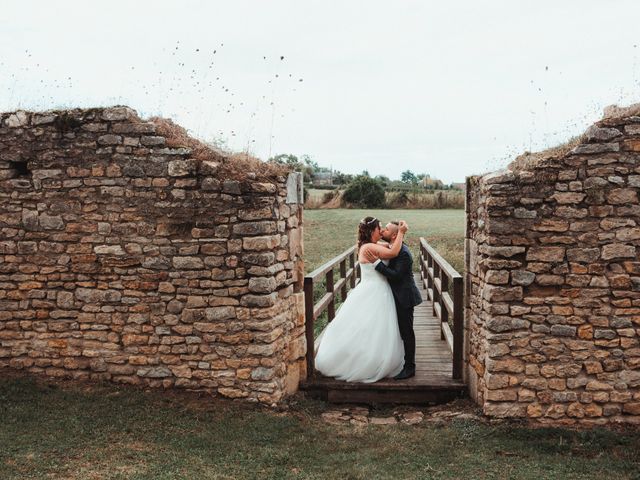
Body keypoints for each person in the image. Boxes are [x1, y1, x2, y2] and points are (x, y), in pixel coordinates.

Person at [314, 217, 408, 383]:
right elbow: (393, 253)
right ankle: (361, 362)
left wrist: (395, 237)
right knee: (366, 327)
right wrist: (400, 232)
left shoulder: (373, 245)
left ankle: (374, 358)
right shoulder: (368, 248)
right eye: (380, 228)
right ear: (372, 231)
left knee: (377, 329)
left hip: (380, 290)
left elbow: (392, 247)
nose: (381, 231)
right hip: (373, 291)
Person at [366, 221, 423, 380]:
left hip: (405, 297)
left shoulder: (403, 252)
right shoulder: (392, 247)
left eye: (386, 229)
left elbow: (396, 275)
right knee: (399, 331)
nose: (382, 230)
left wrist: (376, 264)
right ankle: (399, 362)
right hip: (395, 296)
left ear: (393, 235)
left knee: (407, 332)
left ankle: (410, 367)